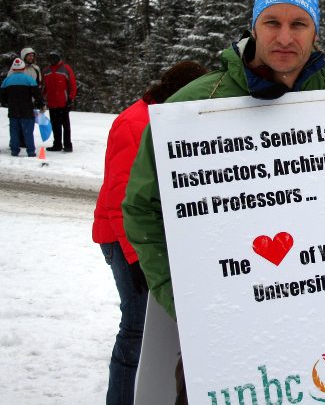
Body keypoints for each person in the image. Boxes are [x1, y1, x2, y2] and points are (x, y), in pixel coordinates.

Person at [121, 0, 325, 404]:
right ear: (254, 26)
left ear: (315, 31)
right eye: (273, 22)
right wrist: (178, 292)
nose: (285, 37)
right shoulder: (195, 103)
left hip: (318, 321)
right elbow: (141, 208)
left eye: (298, 24)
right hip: (221, 328)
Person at [94, 61, 207, 405]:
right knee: (135, 330)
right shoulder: (136, 124)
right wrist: (140, 260)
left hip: (140, 245)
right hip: (124, 243)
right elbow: (122, 202)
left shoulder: (162, 118)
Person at [1, 57, 45, 156]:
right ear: (23, 68)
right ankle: (30, 151)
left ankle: (14, 150)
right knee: (28, 132)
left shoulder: (7, 81)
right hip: (27, 110)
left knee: (14, 131)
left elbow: (2, 98)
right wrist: (41, 104)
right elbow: (37, 94)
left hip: (13, 110)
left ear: (13, 68)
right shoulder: (29, 80)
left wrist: (7, 103)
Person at [42, 50, 77, 152]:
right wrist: (42, 98)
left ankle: (67, 145)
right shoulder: (46, 70)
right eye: (51, 59)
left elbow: (72, 84)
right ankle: (57, 144)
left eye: (55, 58)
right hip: (52, 102)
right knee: (55, 125)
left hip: (63, 102)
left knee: (65, 125)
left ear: (59, 58)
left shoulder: (66, 68)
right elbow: (43, 87)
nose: (53, 60)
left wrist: (71, 98)